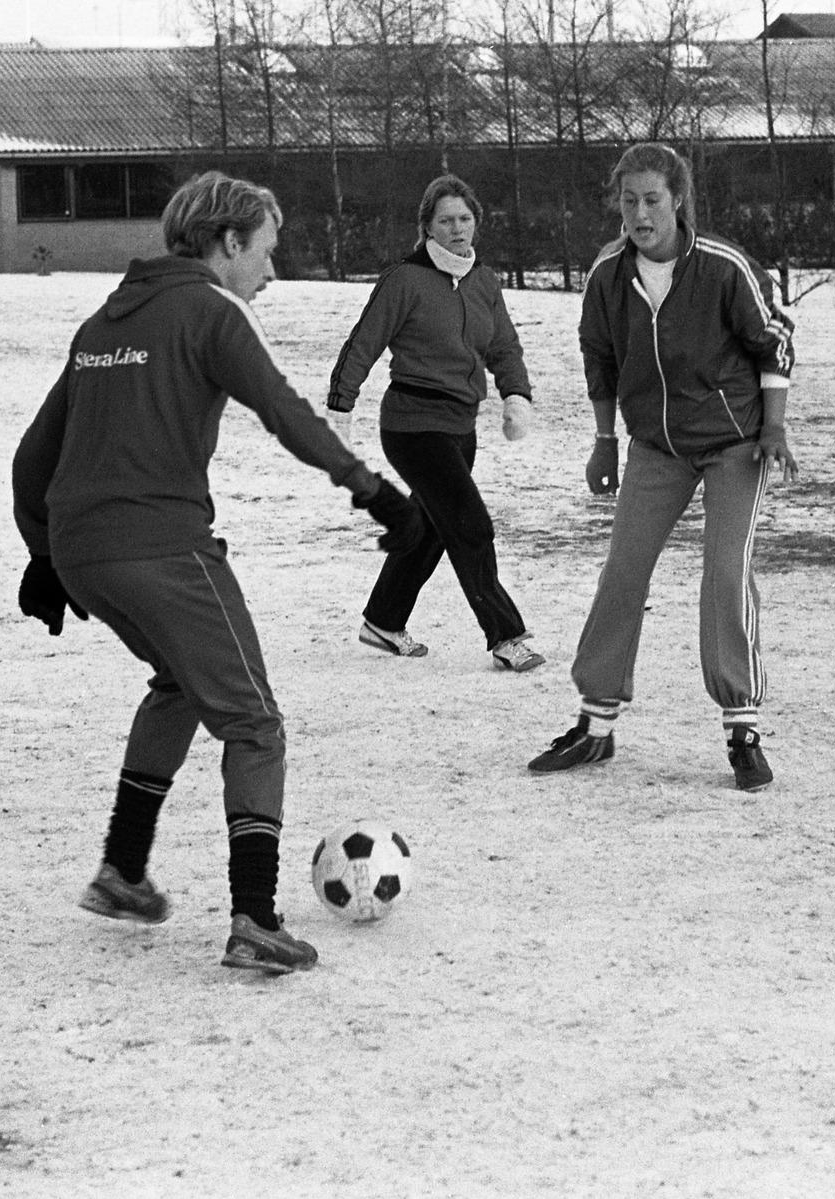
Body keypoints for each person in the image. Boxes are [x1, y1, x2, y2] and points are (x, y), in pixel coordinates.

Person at [11, 171, 424, 975]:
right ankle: (255, 920)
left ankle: (122, 871)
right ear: (227, 241)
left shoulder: (102, 323)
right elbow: (283, 408)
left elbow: (33, 455)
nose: (271, 270)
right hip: (163, 548)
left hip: (86, 553)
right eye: (265, 251)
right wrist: (373, 492)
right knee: (254, 722)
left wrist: (44, 553)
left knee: (180, 683)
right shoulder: (209, 309)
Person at [526, 142, 796, 791]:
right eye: (629, 201)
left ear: (678, 200)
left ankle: (742, 728)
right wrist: (604, 440)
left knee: (724, 572)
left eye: (652, 199)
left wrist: (775, 426)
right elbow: (598, 357)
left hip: (735, 441)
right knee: (623, 570)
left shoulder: (724, 267)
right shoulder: (607, 274)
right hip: (655, 444)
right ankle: (595, 724)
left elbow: (775, 342)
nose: (640, 214)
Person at [325, 174, 544, 672]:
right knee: (470, 525)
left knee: (429, 528)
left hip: (460, 428)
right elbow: (363, 344)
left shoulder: (484, 281)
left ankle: (383, 620)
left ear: (476, 223)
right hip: (412, 425)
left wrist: (516, 394)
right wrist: (341, 408)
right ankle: (507, 636)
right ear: (427, 226)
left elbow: (504, 347)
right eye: (446, 221)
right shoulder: (404, 279)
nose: (457, 229)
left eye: (465, 219)